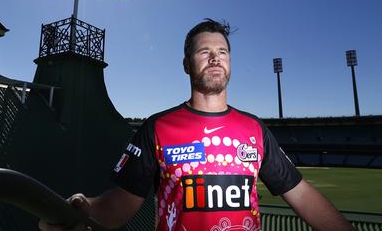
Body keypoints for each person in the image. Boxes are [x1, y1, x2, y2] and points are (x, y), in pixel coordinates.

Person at [40, 19, 354, 231]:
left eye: (223, 52)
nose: (215, 59)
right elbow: (121, 204)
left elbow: (301, 195)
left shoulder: (255, 130)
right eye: (205, 52)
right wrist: (85, 208)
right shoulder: (157, 128)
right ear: (187, 64)